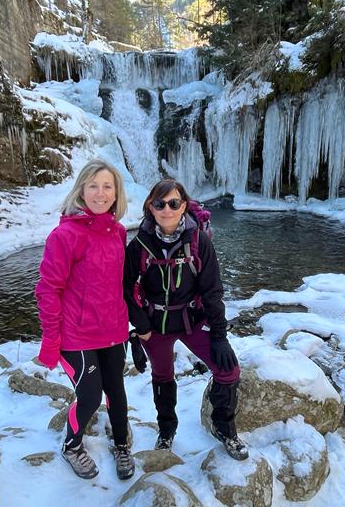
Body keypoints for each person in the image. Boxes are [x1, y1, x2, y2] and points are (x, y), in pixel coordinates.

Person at [124, 178, 247, 460]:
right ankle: (166, 430)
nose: (167, 209)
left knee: (228, 372)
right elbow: (125, 288)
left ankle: (223, 427)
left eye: (174, 203)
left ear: (184, 206)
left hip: (194, 321)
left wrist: (219, 336)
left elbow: (213, 291)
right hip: (156, 325)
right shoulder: (139, 245)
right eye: (160, 203)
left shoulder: (199, 241)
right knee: (162, 377)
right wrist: (140, 327)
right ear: (150, 207)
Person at [35, 159, 134, 480]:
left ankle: (122, 445)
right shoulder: (64, 236)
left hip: (114, 330)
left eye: (107, 186)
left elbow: (118, 283)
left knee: (116, 390)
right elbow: (48, 290)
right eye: (93, 186)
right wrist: (51, 339)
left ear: (116, 193)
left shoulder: (118, 232)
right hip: (76, 335)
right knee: (90, 395)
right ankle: (72, 446)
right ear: (81, 190)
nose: (100, 193)